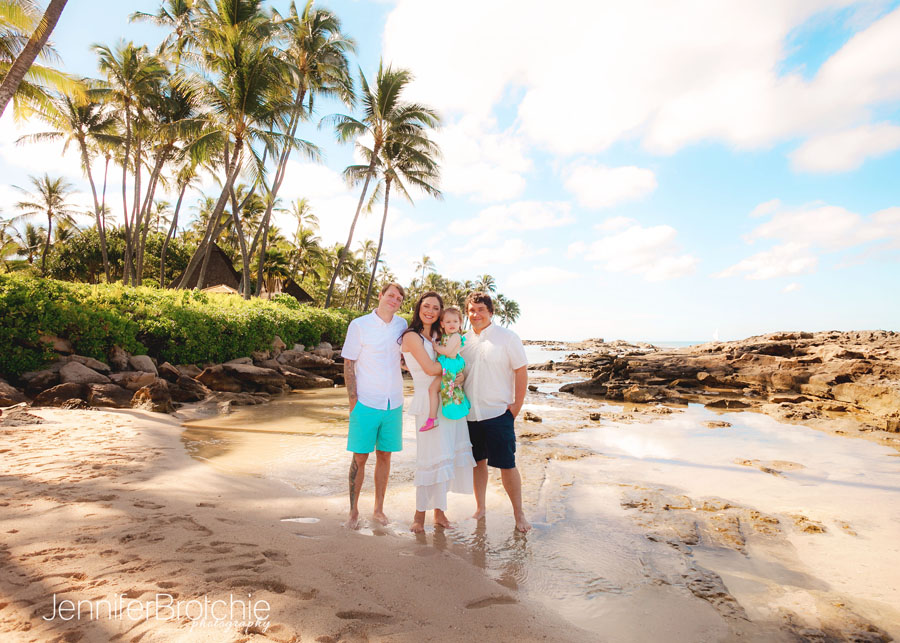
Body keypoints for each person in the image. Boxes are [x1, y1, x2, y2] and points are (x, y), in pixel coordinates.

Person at [401, 292, 475, 533]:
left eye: (435, 307)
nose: (430, 311)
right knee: (429, 458)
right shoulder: (411, 337)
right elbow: (431, 368)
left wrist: (458, 372)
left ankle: (440, 513)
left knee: (445, 456)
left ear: (441, 314)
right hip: (428, 400)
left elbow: (452, 364)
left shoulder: (437, 336)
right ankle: (418, 516)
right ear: (418, 308)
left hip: (447, 399)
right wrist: (455, 369)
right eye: (426, 306)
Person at [461, 291, 531, 533]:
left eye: (481, 309)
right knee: (477, 462)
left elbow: (521, 371)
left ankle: (519, 515)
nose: (476, 314)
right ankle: (480, 508)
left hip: (499, 414)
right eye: (471, 310)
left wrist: (516, 407)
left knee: (507, 465)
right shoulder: (462, 341)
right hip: (470, 416)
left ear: (490, 312)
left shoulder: (507, 338)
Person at [341, 282, 407, 529]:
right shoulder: (359, 325)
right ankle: (353, 511)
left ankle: (378, 509)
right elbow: (348, 363)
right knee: (359, 457)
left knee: (385, 457)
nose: (394, 300)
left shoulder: (402, 326)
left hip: (394, 403)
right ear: (380, 296)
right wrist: (352, 401)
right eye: (391, 295)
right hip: (366, 402)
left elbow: (407, 356)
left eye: (399, 298)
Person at [420, 307, 471, 432]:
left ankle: (433, 419)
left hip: (451, 365)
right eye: (448, 322)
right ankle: (433, 418)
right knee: (441, 389)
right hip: (447, 364)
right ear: (442, 324)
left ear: (460, 323)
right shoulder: (445, 336)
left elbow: (448, 352)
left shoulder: (456, 336)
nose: (452, 324)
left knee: (443, 390)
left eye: (455, 321)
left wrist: (436, 347)